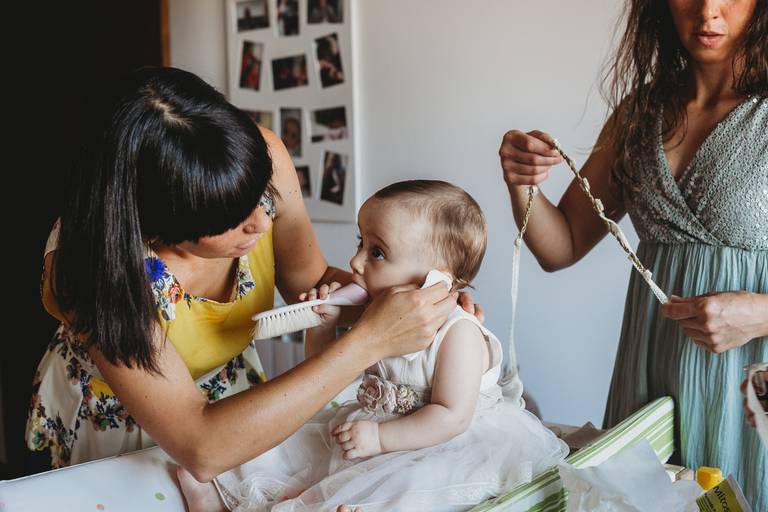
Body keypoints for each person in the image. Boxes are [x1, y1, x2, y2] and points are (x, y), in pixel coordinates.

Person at [25, 68, 472, 495]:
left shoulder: (260, 155)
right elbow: (200, 444)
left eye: (260, 195)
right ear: (157, 227)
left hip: (234, 398)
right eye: (229, 218)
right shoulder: (88, 269)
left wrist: (414, 302)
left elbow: (310, 282)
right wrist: (370, 340)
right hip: (138, 421)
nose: (262, 222)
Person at [498, 0, 767, 507]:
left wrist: (761, 314)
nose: (708, 10)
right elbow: (563, 246)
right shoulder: (639, 114)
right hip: (653, 377)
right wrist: (521, 184)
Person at [177, 180, 568, 511]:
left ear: (436, 279)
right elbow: (325, 375)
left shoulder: (459, 334)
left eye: (376, 252)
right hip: (372, 429)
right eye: (360, 242)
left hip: (440, 445)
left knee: (402, 490)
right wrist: (323, 326)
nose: (355, 261)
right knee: (295, 451)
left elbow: (451, 417)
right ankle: (228, 494)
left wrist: (381, 439)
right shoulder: (380, 313)